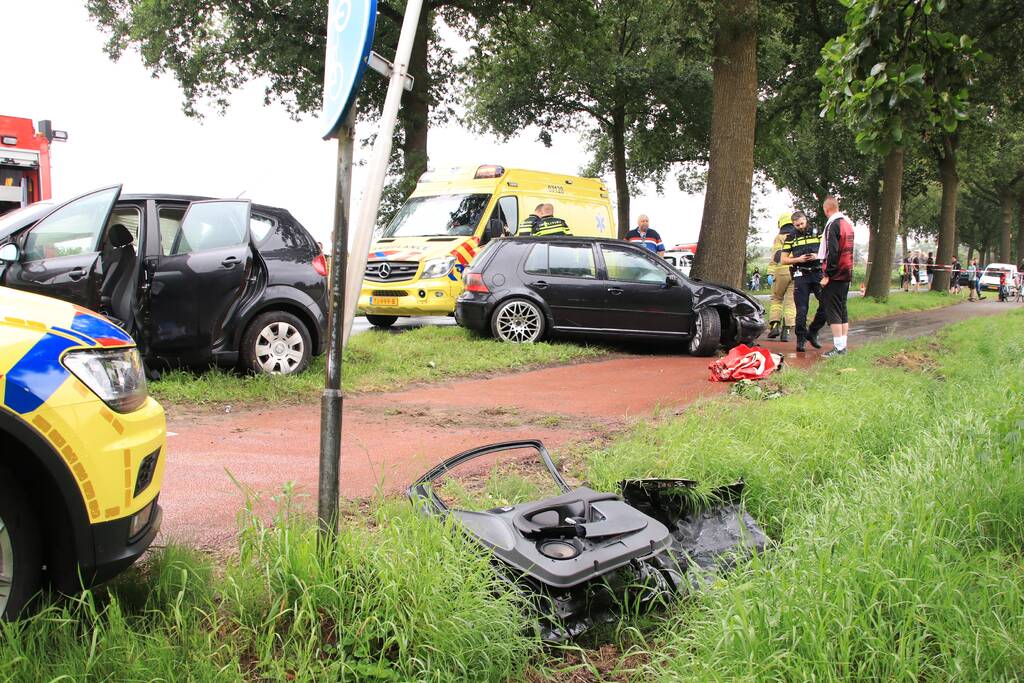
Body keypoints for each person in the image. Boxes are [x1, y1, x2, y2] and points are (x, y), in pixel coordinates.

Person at [775, 209, 825, 352]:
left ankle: (813, 331)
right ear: (793, 225)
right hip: (800, 274)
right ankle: (801, 339)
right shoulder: (791, 237)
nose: (801, 227)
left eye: (802, 223)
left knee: (826, 304)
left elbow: (827, 250)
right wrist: (798, 259)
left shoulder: (818, 232)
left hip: (817, 273)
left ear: (806, 220)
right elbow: (783, 259)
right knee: (801, 310)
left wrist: (816, 256)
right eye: (797, 225)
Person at [819, 196, 855, 358]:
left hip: (836, 274)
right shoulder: (847, 224)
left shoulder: (833, 225)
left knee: (833, 309)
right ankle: (843, 346)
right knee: (843, 309)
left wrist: (828, 274)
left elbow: (832, 251)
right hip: (847, 272)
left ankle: (838, 348)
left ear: (826, 209)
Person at [766, 212, 797, 341]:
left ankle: (774, 326)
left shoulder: (778, 238)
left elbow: (776, 256)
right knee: (791, 302)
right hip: (794, 272)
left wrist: (770, 272)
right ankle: (787, 330)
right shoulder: (796, 236)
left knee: (777, 299)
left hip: (780, 272)